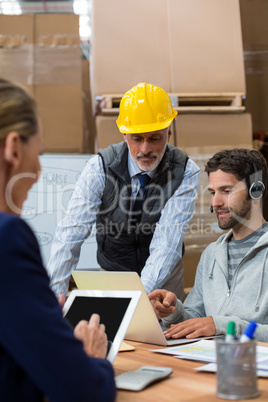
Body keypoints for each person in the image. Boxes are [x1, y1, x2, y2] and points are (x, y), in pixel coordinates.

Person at [0, 78, 116, 401]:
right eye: (37, 154)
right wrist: (91, 355)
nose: (37, 171)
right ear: (12, 149)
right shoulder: (7, 238)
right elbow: (85, 391)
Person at [48, 82, 200, 300]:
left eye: (155, 138)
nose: (145, 149)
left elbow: (167, 244)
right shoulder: (100, 168)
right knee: (109, 333)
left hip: (164, 279)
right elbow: (71, 233)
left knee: (165, 333)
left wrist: (139, 299)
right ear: (124, 134)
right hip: (113, 275)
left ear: (169, 131)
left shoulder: (185, 171)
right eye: (137, 139)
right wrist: (54, 297)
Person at [149, 148, 268, 342]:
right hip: (212, 361)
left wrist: (221, 325)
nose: (215, 202)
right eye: (213, 192)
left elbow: (214, 325)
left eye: (226, 191)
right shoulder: (212, 254)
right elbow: (195, 317)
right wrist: (173, 311)